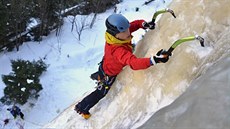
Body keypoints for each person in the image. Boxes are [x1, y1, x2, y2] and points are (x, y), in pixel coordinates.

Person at [75, 13, 170, 119]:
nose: (128, 32)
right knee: (101, 92)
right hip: (110, 73)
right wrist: (154, 60)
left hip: (106, 62)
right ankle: (82, 107)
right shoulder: (118, 51)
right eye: (124, 31)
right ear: (115, 34)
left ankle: (98, 74)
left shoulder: (116, 36)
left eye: (127, 29)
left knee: (104, 68)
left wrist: (143, 24)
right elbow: (134, 63)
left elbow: (132, 25)